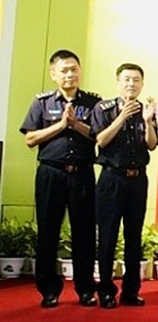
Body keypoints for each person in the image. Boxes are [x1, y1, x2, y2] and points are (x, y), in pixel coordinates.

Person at [20, 49, 101, 308]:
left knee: (84, 233)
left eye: (74, 69)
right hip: (51, 174)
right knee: (48, 231)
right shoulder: (42, 103)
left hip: (82, 174)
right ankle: (48, 290)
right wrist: (61, 125)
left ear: (80, 71)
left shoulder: (93, 103)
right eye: (64, 70)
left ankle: (85, 289)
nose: (69, 74)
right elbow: (30, 139)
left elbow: (100, 136)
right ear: (53, 74)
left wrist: (76, 124)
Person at [90, 63, 158, 309]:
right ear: (118, 82)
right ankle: (106, 291)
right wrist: (121, 117)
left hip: (137, 180)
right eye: (127, 79)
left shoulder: (145, 110)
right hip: (112, 179)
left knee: (134, 236)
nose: (131, 84)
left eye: (136, 80)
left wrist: (148, 121)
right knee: (108, 236)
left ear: (142, 84)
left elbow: (152, 144)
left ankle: (131, 291)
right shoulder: (104, 108)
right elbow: (101, 140)